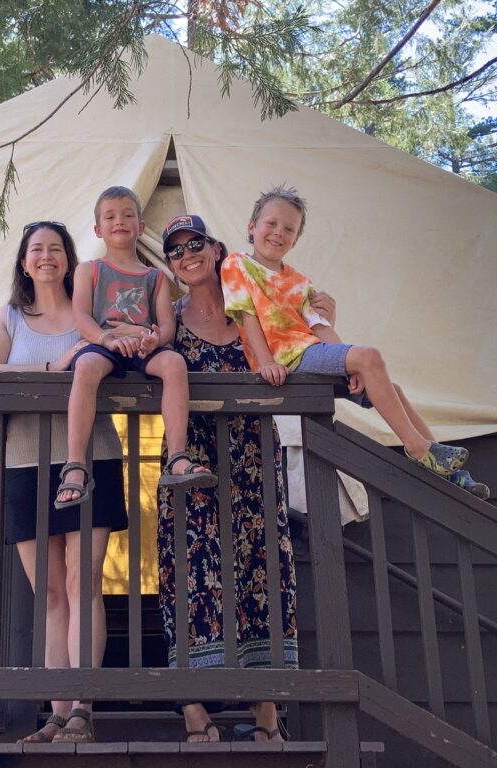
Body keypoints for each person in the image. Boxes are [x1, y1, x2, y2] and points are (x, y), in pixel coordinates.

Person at [155, 214, 316, 744]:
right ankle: (194, 709)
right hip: (192, 461)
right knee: (191, 569)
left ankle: (267, 709)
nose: (186, 255)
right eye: (175, 250)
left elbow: (305, 332)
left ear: (218, 247)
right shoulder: (171, 319)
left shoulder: (253, 307)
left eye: (195, 243)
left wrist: (329, 322)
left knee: (263, 567)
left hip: (253, 458)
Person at [221, 185, 489, 498]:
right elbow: (246, 314)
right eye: (271, 223)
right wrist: (266, 362)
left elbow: (319, 327)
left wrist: (352, 366)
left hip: (311, 351)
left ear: (295, 240)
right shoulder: (237, 263)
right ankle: (418, 449)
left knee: (390, 387)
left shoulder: (299, 281)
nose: (279, 232)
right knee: (370, 356)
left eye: (289, 229)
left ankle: (451, 473)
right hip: (286, 359)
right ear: (252, 227)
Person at [0, 220, 128, 743]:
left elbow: (124, 346)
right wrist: (53, 365)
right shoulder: (9, 318)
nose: (46, 257)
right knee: (48, 592)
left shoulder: (92, 314)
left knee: (83, 581)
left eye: (56, 249)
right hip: (23, 462)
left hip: (93, 458)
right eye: (36, 249)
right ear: (24, 261)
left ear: (69, 260)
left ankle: (84, 706)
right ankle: (58, 712)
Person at [55, 187, 217, 510]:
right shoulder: (90, 270)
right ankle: (75, 465)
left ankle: (178, 457)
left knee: (174, 364)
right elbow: (80, 317)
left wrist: (155, 340)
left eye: (128, 215)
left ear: (141, 227)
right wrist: (105, 339)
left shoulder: (155, 276)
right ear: (98, 229)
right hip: (104, 344)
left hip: (144, 347)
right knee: (85, 368)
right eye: (110, 216)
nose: (120, 221)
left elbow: (167, 324)